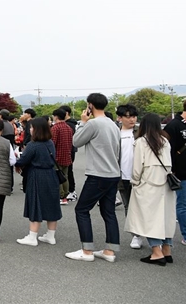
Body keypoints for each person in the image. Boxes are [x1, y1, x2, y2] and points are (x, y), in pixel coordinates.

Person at [65, 93, 121, 263]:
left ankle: (87, 250)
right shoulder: (112, 124)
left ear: (90, 105)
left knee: (81, 210)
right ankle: (110, 251)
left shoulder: (93, 124)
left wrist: (82, 122)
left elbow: (76, 141)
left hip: (98, 174)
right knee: (108, 212)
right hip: (113, 173)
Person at [124, 113, 177, 266]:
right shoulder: (165, 141)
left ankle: (156, 252)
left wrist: (135, 182)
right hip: (165, 183)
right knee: (165, 216)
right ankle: (167, 249)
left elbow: (137, 167)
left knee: (148, 217)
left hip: (148, 182)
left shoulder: (141, 141)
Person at [14, 117, 62, 246]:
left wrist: (16, 159)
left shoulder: (33, 145)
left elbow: (23, 160)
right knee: (51, 204)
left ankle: (32, 237)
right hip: (51, 174)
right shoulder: (50, 143)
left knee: (36, 203)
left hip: (37, 175)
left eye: (31, 127)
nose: (30, 129)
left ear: (36, 129)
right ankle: (51, 236)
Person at [163, 96, 186, 248]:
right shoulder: (174, 125)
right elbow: (167, 150)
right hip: (183, 173)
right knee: (185, 205)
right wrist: (172, 170)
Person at [115, 104, 142, 249]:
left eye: (133, 116)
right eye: (128, 116)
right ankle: (135, 235)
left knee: (143, 206)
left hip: (141, 176)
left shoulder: (140, 132)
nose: (132, 119)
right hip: (122, 176)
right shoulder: (115, 133)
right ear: (120, 118)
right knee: (128, 206)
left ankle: (151, 235)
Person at [51, 108, 73, 205]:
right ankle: (65, 196)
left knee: (57, 177)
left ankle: (60, 196)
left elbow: (52, 143)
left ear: (56, 116)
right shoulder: (69, 128)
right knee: (65, 177)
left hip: (57, 157)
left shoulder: (55, 128)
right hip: (67, 155)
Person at [60, 105, 78, 201]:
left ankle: (71, 191)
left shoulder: (69, 125)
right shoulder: (71, 124)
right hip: (70, 150)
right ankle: (70, 190)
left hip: (68, 150)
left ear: (66, 113)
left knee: (68, 171)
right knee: (68, 170)